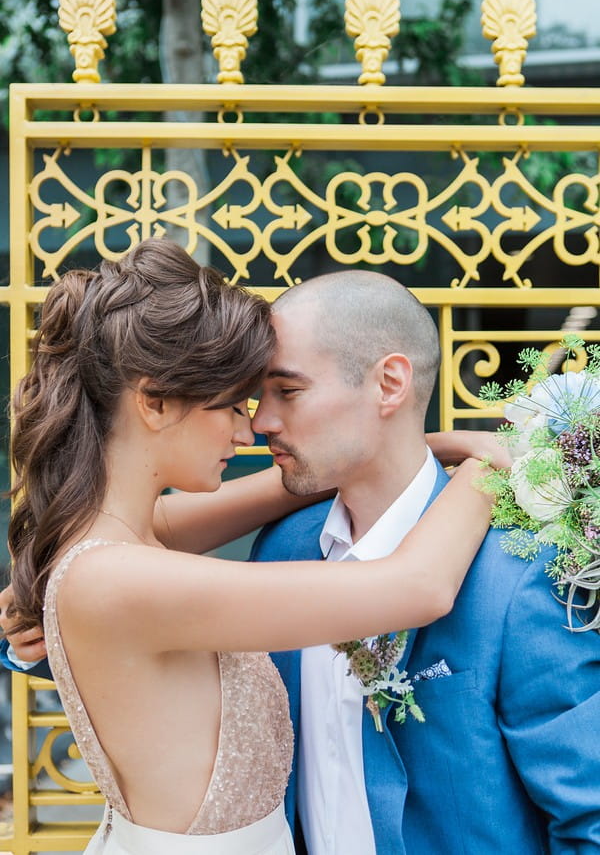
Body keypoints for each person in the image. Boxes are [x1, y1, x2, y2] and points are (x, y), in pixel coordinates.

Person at [1, 240, 495, 855]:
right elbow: (417, 586)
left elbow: (275, 491)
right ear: (154, 402)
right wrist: (494, 465)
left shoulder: (120, 533)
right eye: (234, 405)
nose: (251, 428)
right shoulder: (117, 576)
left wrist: (426, 446)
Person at [246, 270, 600, 855]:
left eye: (289, 390)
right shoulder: (281, 548)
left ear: (390, 384)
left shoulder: (519, 577)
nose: (262, 421)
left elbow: (589, 818)